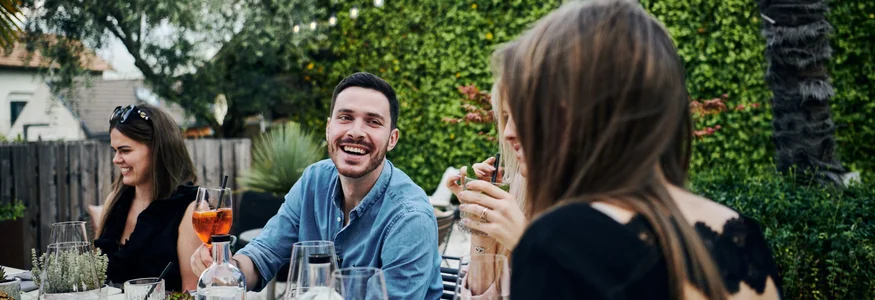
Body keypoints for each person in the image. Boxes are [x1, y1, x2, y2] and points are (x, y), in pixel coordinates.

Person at [496, 0, 783, 299]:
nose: (511, 132)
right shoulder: (739, 235)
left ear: (579, 113)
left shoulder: (558, 244)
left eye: (535, 108)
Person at [190, 72, 443, 299]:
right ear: (328, 127)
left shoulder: (410, 216)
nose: (356, 131)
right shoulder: (313, 181)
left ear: (392, 139)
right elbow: (264, 253)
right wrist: (228, 269)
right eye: (345, 117)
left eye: (373, 122)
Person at [94, 104, 201, 292]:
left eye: (125, 150)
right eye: (115, 151)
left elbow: (191, 293)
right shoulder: (115, 201)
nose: (116, 159)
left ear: (158, 151)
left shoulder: (190, 210)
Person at [446, 83, 529, 298]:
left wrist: (526, 242)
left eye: (522, 115)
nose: (508, 132)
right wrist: (481, 230)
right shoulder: (518, 187)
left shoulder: (599, 209)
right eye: (505, 117)